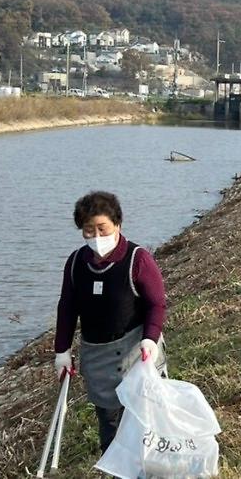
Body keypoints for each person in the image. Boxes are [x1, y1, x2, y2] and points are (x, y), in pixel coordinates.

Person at [54, 191, 167, 453]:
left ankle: (147, 465)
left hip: (136, 351)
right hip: (97, 355)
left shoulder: (138, 259)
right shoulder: (76, 263)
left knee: (142, 417)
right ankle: (115, 464)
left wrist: (150, 338)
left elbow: (156, 304)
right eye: (88, 231)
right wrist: (62, 351)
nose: (96, 237)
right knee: (108, 418)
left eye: (102, 229)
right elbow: (67, 307)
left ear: (117, 224)